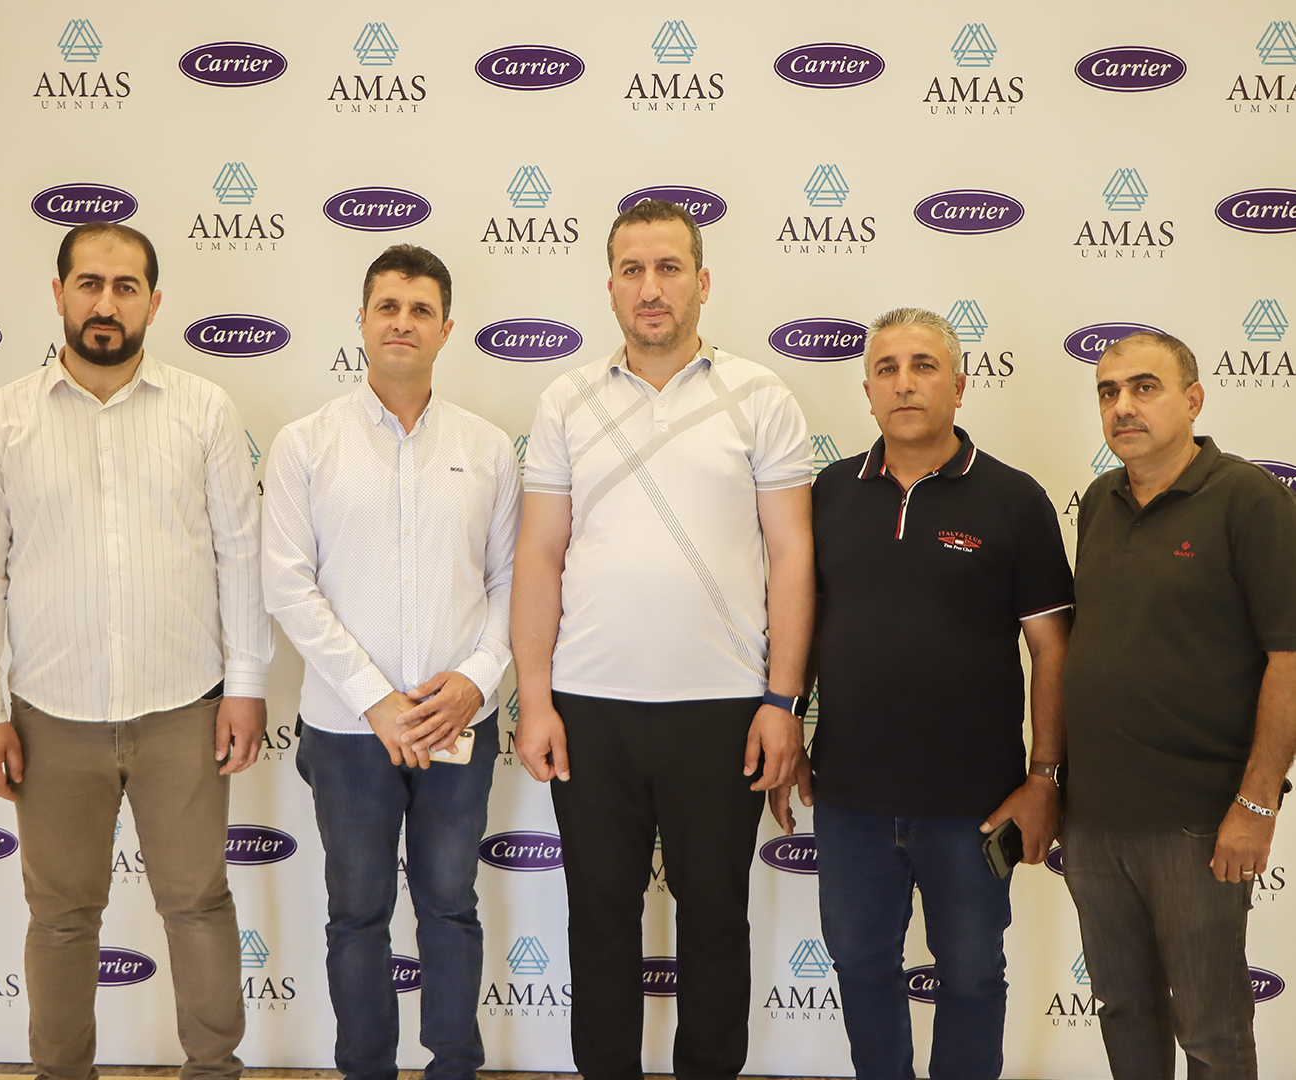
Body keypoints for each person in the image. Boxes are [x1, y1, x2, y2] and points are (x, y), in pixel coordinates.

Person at [511, 199, 814, 1080]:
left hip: (723, 710)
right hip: (590, 708)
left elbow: (793, 556)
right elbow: (539, 554)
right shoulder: (565, 399)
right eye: (633, 270)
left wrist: (783, 701)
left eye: (669, 268)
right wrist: (536, 700)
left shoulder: (760, 396)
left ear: (702, 282)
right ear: (609, 286)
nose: (652, 288)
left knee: (715, 920)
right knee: (599, 919)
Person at [0, 223, 271, 1080]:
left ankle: (213, 1071)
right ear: (58, 294)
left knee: (197, 904)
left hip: (183, 708)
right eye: (89, 284)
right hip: (50, 715)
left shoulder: (204, 409)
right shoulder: (6, 418)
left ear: (153, 301)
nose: (105, 304)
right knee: (60, 918)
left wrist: (246, 685)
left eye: (124, 288)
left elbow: (240, 554)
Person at [774, 307, 1073, 1080]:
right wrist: (791, 726)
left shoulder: (1014, 500)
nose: (904, 383)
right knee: (860, 968)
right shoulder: (828, 494)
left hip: (975, 806)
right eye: (887, 369)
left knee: (971, 977)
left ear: (960, 386)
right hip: (850, 800)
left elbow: (1053, 648)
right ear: (868, 392)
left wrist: (1045, 777)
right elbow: (804, 624)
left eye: (923, 366)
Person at [262, 244, 520, 1080]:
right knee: (357, 914)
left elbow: (513, 583)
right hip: (347, 731)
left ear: (447, 328)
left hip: (457, 726)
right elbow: (288, 585)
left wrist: (476, 680)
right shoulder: (306, 445)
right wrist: (374, 698)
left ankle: (455, 1068)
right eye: (388, 306)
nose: (402, 322)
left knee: (450, 906)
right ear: (363, 322)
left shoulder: (488, 448)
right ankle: (366, 1070)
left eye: (420, 309)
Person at [1063, 331, 1296, 1079]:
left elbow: (1289, 658)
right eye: (1108, 392)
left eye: (1145, 387)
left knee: (1211, 1029)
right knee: (1124, 1011)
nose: (1122, 406)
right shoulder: (1099, 502)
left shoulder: (1249, 500)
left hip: (1198, 824)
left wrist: (1257, 805)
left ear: (1192, 400)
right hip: (1093, 823)